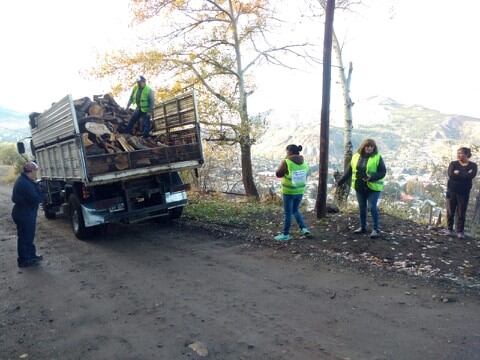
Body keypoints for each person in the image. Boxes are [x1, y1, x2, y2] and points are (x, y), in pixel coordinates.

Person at [337, 139, 386, 238]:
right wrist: (340, 182)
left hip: (373, 187)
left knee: (372, 207)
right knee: (362, 208)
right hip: (359, 187)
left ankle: (376, 229)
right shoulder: (355, 157)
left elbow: (383, 172)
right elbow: (349, 171)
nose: (369, 148)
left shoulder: (377, 157)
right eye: (367, 146)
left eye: (371, 146)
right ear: (363, 147)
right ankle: (363, 227)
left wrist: (371, 177)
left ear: (374, 148)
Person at [274, 144, 311, 241]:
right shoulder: (304, 163)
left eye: (286, 151)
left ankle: (285, 234)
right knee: (295, 210)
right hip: (300, 191)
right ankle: (304, 229)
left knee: (288, 213)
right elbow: (307, 174)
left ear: (289, 152)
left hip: (288, 191)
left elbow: (278, 174)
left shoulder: (287, 162)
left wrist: (285, 160)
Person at [11, 161, 44, 268]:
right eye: (35, 171)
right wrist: (43, 193)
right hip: (24, 214)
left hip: (24, 213)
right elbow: (36, 199)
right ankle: (24, 260)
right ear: (30, 171)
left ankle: (31, 256)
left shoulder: (26, 181)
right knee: (25, 237)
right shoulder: (25, 183)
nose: (36, 173)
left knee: (28, 236)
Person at [445, 147, 477, 239]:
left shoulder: (473, 166)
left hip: (464, 192)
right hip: (452, 191)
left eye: (461, 153)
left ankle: (460, 231)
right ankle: (449, 229)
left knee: (461, 212)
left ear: (467, 154)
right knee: (450, 210)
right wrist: (465, 174)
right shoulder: (453, 164)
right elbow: (451, 174)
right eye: (458, 153)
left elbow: (471, 175)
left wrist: (458, 173)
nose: (459, 155)